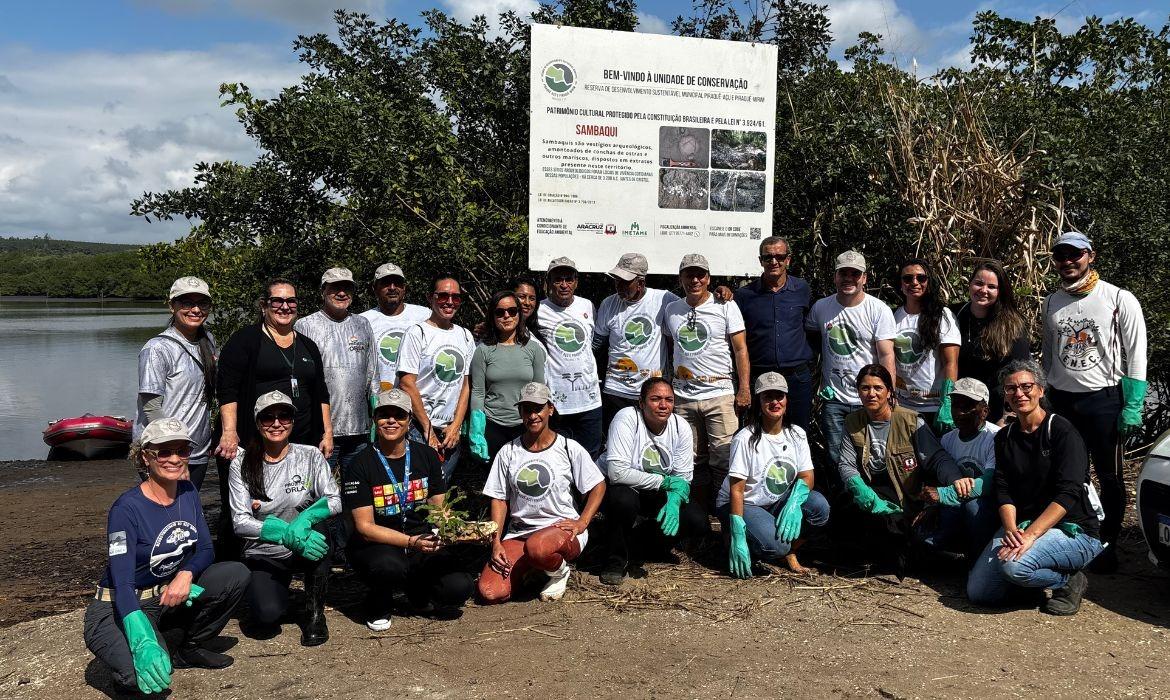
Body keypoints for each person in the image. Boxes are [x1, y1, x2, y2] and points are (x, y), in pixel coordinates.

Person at [84, 418, 249, 696]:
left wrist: (185, 574)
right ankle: (131, 659)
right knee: (142, 677)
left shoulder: (188, 492)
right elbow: (122, 582)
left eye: (182, 450)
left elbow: (206, 549)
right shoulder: (125, 509)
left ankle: (189, 648)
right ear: (145, 457)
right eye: (163, 452)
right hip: (121, 604)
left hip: (164, 596)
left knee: (235, 574)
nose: (174, 459)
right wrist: (141, 639)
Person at [1041, 231, 1147, 574]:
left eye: (1075, 254)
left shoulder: (1118, 298)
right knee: (1068, 473)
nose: (1068, 261)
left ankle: (1107, 542)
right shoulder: (1051, 302)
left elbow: (1137, 352)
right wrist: (1043, 393)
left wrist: (1133, 404)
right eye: (1061, 256)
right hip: (1061, 400)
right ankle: (1076, 534)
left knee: (1109, 475)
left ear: (1091, 256)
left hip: (1103, 399)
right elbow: (1049, 353)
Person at [967, 360, 1105, 615]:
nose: (1019, 393)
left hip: (1073, 529)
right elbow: (1003, 489)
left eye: (1026, 386)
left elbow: (1069, 493)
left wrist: (1030, 536)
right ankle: (1030, 579)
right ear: (1005, 396)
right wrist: (1011, 530)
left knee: (1014, 567)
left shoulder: (1061, 431)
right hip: (1024, 524)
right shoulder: (1004, 437)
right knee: (981, 592)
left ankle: (1068, 581)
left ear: (1041, 390)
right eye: (1011, 388)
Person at [215, 278, 331, 557]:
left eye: (291, 301)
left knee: (297, 502)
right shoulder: (245, 340)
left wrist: (327, 432)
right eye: (277, 300)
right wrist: (229, 432)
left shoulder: (307, 345)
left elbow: (321, 391)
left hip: (298, 442)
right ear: (264, 305)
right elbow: (227, 388)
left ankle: (294, 556)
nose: (284, 306)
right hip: (254, 441)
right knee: (247, 506)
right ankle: (233, 564)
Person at [343, 389, 477, 630]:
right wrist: (411, 542)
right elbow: (364, 527)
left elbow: (439, 509)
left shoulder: (427, 456)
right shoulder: (360, 463)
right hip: (378, 543)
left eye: (399, 415)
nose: (391, 421)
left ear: (409, 420)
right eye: (384, 415)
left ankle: (417, 593)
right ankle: (378, 603)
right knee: (388, 567)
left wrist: (458, 530)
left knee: (459, 586)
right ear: (375, 419)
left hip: (420, 538)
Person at [227, 391, 340, 646]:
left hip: (305, 544)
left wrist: (307, 518)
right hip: (265, 551)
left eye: (284, 416)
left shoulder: (310, 455)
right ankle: (275, 590)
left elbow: (334, 499)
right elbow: (240, 522)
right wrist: (284, 533)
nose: (276, 423)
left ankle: (315, 614)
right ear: (258, 422)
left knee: (321, 529)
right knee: (267, 616)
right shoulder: (241, 463)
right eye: (268, 417)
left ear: (292, 421)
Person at [478, 382, 606, 603]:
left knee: (538, 547)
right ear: (520, 412)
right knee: (490, 592)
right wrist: (496, 541)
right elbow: (498, 498)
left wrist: (582, 522)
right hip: (520, 533)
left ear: (550, 409)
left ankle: (559, 572)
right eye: (526, 409)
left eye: (538, 408)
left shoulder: (568, 447)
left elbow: (598, 485)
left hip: (560, 529)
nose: (533, 415)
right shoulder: (508, 451)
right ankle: (536, 567)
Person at [836, 365, 963, 574]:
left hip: (904, 493)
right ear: (858, 391)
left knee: (896, 530)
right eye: (865, 388)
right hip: (871, 488)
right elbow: (846, 464)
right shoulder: (852, 422)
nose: (871, 393)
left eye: (878, 388)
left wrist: (956, 481)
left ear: (889, 392)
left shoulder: (911, 420)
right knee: (843, 511)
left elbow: (937, 458)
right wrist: (859, 488)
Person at [717, 372, 829, 577]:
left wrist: (795, 502)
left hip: (776, 500)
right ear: (758, 402)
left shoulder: (797, 434)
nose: (775, 402)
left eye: (779, 396)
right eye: (768, 397)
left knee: (819, 506)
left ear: (787, 399)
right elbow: (737, 490)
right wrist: (737, 529)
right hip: (744, 503)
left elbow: (807, 476)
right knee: (774, 546)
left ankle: (789, 551)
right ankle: (736, 537)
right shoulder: (745, 438)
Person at [598, 377, 707, 585]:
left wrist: (675, 499)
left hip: (654, 488)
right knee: (623, 501)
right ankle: (615, 559)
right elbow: (617, 472)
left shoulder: (680, 426)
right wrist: (665, 482)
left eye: (669, 400)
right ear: (641, 402)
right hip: (621, 485)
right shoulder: (627, 418)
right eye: (655, 399)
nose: (663, 405)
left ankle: (643, 546)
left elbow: (683, 478)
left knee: (696, 520)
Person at [664, 253, 750, 510]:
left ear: (709, 278)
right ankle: (698, 512)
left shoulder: (725, 306)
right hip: (684, 397)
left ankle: (723, 511)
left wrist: (744, 388)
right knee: (691, 459)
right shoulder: (672, 310)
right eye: (689, 275)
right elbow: (670, 347)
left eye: (700, 275)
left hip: (720, 395)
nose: (695, 280)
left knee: (724, 458)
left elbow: (740, 349)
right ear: (680, 278)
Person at [806, 251, 897, 479]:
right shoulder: (821, 308)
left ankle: (874, 498)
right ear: (835, 277)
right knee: (837, 457)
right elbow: (811, 341)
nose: (848, 278)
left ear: (864, 278)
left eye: (855, 274)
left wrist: (889, 394)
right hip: (834, 399)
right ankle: (844, 499)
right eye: (843, 273)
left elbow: (886, 356)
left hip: (868, 398)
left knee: (873, 455)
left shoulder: (878, 310)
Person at [134, 276, 218, 490]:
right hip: (164, 452)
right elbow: (151, 407)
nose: (195, 310)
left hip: (196, 450)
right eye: (187, 303)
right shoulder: (157, 348)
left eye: (202, 303)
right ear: (172, 306)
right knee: (165, 507)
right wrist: (175, 454)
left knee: (188, 506)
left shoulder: (208, 340)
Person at [294, 267, 376, 472]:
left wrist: (377, 416)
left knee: (358, 487)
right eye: (335, 288)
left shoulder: (362, 324)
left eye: (347, 287)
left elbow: (373, 373)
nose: (341, 293)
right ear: (323, 291)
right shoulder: (305, 325)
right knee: (319, 487)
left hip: (359, 430)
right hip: (320, 432)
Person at [397, 275, 475, 482]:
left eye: (455, 297)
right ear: (430, 298)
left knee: (441, 489)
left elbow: (466, 385)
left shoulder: (465, 336)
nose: (449, 302)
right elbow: (407, 383)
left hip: (449, 429)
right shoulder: (417, 333)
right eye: (443, 296)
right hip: (418, 427)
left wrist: (456, 426)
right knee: (416, 489)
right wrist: (428, 429)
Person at [732, 236, 815, 430]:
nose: (774, 261)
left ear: (788, 259)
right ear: (760, 260)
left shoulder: (802, 289)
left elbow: (811, 327)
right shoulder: (744, 295)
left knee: (798, 431)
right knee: (758, 432)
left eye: (779, 256)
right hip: (760, 376)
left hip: (796, 377)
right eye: (768, 257)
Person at [594, 252, 680, 427]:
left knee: (651, 439)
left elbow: (692, 307)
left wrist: (720, 294)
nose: (619, 286)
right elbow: (596, 344)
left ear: (640, 283)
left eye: (625, 282)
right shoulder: (608, 304)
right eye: (617, 280)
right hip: (616, 391)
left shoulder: (664, 299)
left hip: (653, 392)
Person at [918, 378, 1001, 559]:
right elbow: (935, 477)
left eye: (968, 406)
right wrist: (930, 505)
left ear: (985, 411)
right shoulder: (947, 439)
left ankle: (980, 558)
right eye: (956, 405)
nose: (959, 412)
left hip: (987, 507)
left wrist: (942, 495)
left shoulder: (996, 437)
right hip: (956, 505)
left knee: (972, 506)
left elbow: (988, 483)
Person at [536, 257, 604, 459]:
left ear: (576, 282)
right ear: (548, 283)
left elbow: (594, 342)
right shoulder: (539, 310)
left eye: (568, 279)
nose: (564, 285)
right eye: (558, 280)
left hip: (589, 399)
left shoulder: (588, 306)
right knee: (558, 456)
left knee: (590, 457)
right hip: (557, 402)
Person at [469, 291, 547, 463]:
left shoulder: (534, 349)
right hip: (492, 426)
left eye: (512, 311)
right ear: (492, 316)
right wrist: (476, 431)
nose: (506, 316)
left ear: (519, 314)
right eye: (500, 312)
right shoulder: (483, 350)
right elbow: (478, 392)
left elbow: (540, 392)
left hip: (526, 426)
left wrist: (541, 426)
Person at [951, 260, 1029, 424]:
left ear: (1000, 291)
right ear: (970, 284)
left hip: (995, 411)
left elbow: (1019, 373)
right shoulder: (953, 315)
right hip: (958, 407)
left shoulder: (1012, 325)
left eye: (991, 287)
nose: (983, 290)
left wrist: (1007, 416)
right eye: (979, 283)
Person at [892, 258, 960, 433]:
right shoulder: (892, 316)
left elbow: (950, 362)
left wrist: (947, 401)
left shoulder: (942, 316)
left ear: (929, 282)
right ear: (900, 284)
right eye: (907, 278)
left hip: (933, 406)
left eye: (921, 278)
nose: (914, 282)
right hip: (902, 406)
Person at [360, 262, 432, 393]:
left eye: (397, 283)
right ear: (374, 288)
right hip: (379, 399)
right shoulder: (363, 321)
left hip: (418, 398)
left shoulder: (425, 315)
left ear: (404, 288)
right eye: (386, 283)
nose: (392, 288)